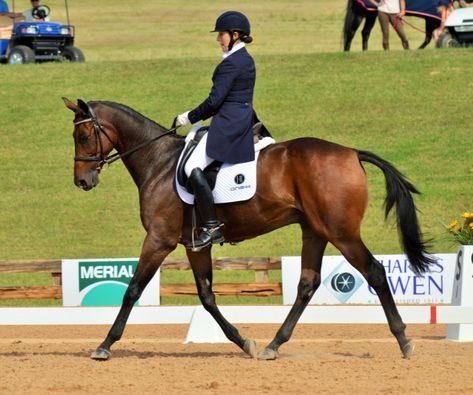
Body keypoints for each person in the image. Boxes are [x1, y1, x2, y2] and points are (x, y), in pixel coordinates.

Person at [174, 11, 256, 251]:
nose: (218, 39)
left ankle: (211, 227)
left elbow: (214, 102)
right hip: (242, 118)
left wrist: (188, 117)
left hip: (229, 123)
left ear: (235, 35)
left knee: (191, 167)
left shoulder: (231, 63)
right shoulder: (245, 59)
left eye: (221, 34)